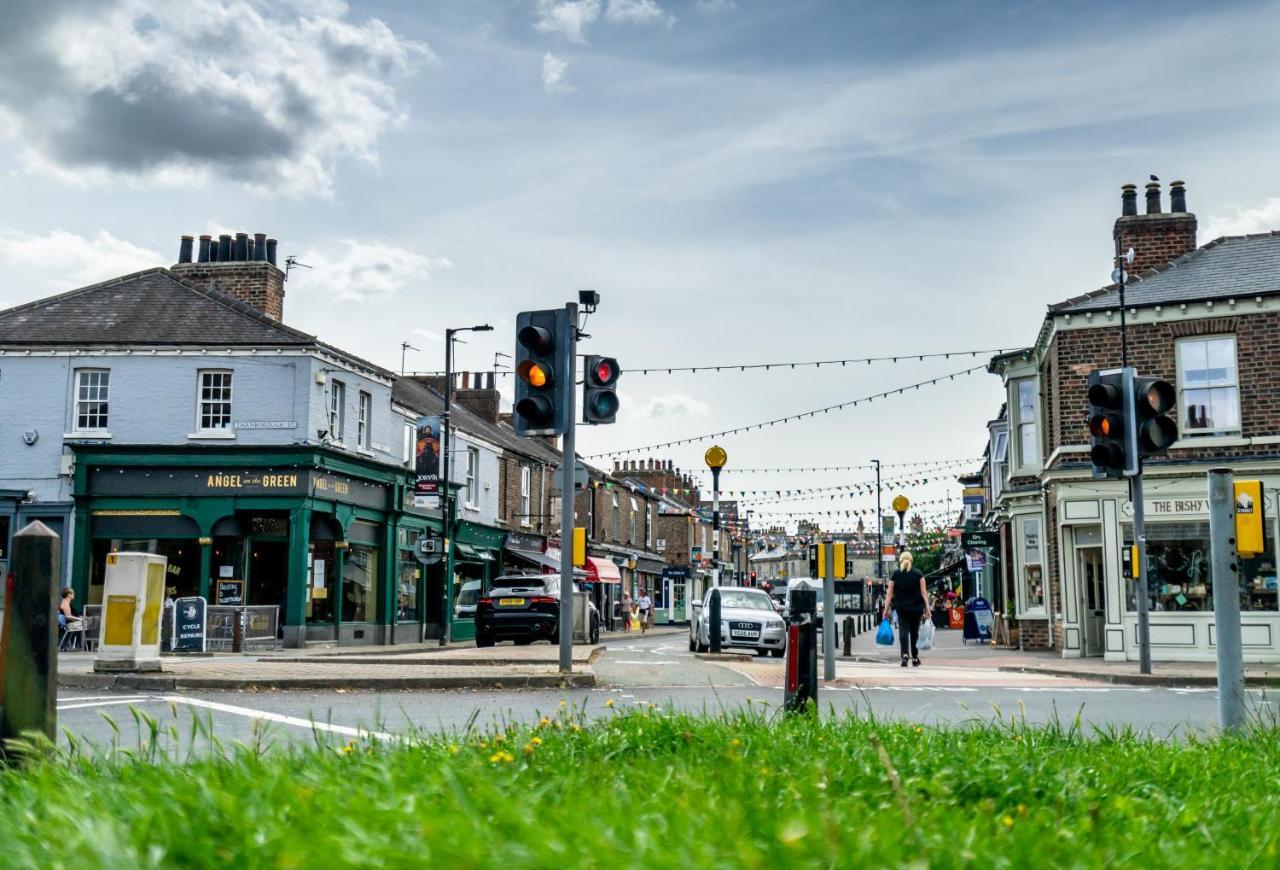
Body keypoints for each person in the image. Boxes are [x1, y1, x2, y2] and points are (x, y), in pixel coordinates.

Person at [883, 551, 928, 667]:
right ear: (911, 561)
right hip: (917, 608)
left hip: (902, 608)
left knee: (903, 631)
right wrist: (927, 609)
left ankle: (904, 655)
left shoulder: (895, 575)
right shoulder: (918, 574)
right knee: (914, 633)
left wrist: (885, 610)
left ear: (900, 561)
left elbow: (889, 594)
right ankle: (915, 657)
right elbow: (924, 593)